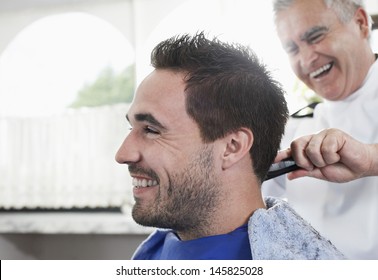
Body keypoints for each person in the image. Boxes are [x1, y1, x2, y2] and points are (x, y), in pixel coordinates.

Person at [115, 32, 344, 260]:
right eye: (131, 128)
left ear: (232, 147)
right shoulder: (154, 252)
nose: (123, 154)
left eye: (152, 130)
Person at [263, 0, 378, 259]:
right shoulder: (295, 129)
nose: (306, 59)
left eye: (315, 36)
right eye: (292, 49)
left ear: (360, 23)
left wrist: (370, 159)